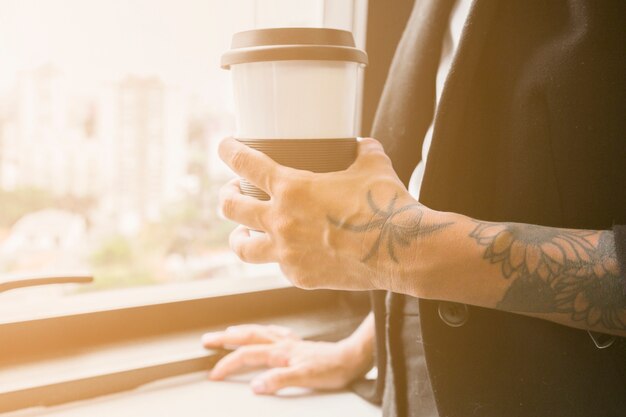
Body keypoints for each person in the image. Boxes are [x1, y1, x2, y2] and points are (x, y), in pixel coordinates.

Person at [202, 1, 626, 416]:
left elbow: (406, 237)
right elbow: (429, 192)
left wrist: (398, 250)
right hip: (411, 382)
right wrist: (361, 349)